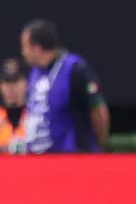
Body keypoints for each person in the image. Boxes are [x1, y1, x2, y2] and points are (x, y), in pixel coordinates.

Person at [20, 19, 110, 153]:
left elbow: (98, 110)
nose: (23, 53)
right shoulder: (35, 73)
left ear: (37, 48)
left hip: (73, 156)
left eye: (25, 47)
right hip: (39, 158)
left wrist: (100, 147)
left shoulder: (75, 70)